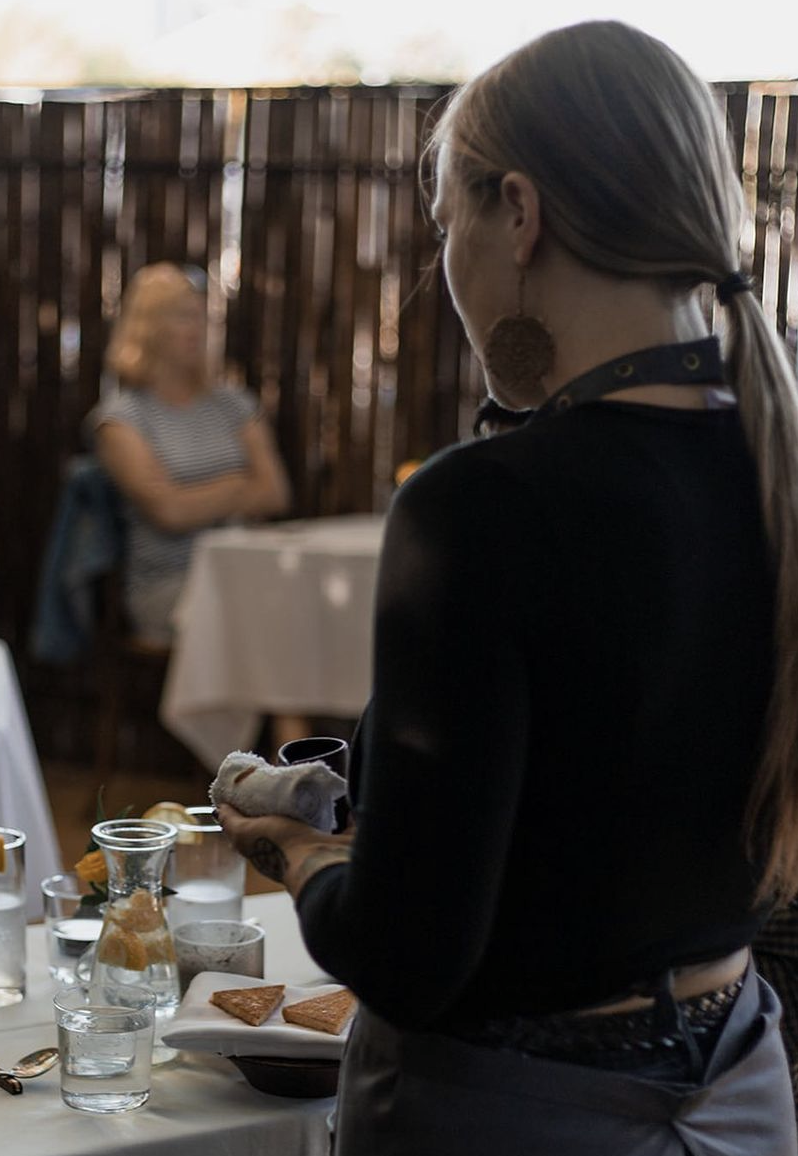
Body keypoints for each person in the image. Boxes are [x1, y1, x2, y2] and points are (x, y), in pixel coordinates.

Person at [218, 21, 798, 1155]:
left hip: (516, 1114)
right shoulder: (773, 472)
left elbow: (407, 954)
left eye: (446, 226)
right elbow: (606, 788)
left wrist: (300, 854)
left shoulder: (481, 505)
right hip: (741, 1085)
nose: (445, 268)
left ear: (518, 214)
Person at [86, 262, 291, 646]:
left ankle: (287, 709)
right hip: (170, 584)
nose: (196, 330)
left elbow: (276, 493)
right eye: (182, 317)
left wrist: (194, 496)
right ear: (148, 327)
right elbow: (169, 513)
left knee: (298, 608)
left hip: (246, 571)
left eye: (201, 317)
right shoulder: (120, 419)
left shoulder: (233, 405)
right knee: (250, 624)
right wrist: (238, 486)